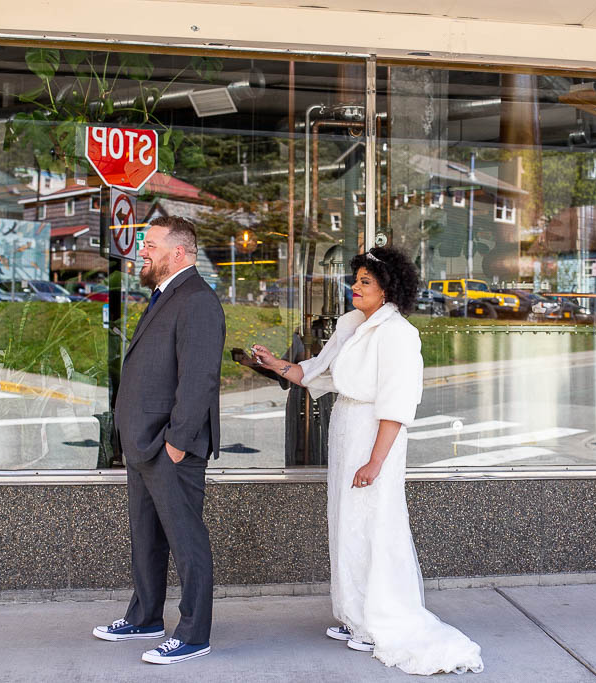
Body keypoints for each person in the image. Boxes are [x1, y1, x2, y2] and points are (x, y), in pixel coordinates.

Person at [250, 246, 484, 675]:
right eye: (355, 280)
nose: (354, 287)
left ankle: (378, 618)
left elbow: (396, 406)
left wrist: (376, 462)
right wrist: (277, 364)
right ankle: (355, 615)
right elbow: (318, 372)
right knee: (346, 522)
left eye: (365, 282)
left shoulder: (398, 334)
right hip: (346, 427)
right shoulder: (352, 325)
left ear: (387, 289)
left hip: (375, 434)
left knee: (372, 522)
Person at [92, 216, 225, 666]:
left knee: (187, 542)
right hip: (143, 445)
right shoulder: (164, 296)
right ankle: (146, 617)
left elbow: (200, 378)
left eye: (150, 245)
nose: (141, 252)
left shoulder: (197, 301)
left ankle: (192, 634)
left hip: (171, 446)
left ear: (180, 254)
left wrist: (177, 442)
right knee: (145, 537)